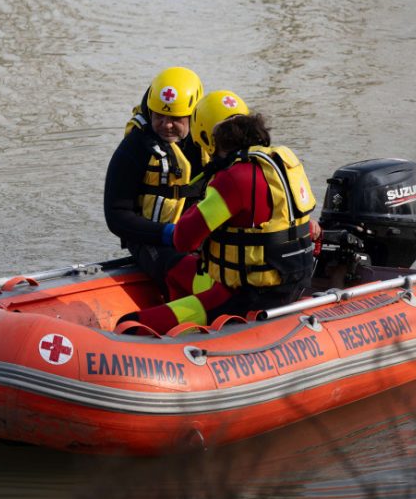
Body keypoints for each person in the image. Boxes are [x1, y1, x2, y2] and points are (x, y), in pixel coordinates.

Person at [127, 92, 319, 333]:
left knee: (129, 323)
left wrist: (204, 190)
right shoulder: (282, 163)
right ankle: (189, 335)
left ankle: (182, 344)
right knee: (178, 274)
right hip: (292, 285)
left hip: (243, 297)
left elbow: (183, 239)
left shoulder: (232, 179)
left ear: (208, 137)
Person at [103, 67, 206, 297]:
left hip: (198, 235)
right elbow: (116, 216)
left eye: (175, 119)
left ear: (194, 115)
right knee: (191, 273)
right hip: (152, 238)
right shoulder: (134, 148)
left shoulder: (207, 141)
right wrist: (168, 233)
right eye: (159, 116)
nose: (166, 125)